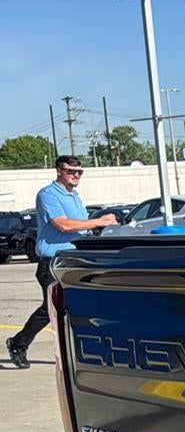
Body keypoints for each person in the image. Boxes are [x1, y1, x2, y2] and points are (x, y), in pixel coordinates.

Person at [5, 157, 116, 370]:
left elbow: (80, 227)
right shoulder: (48, 195)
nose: (76, 175)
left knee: (81, 307)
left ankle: (82, 352)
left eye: (79, 172)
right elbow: (63, 225)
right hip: (53, 262)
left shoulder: (75, 197)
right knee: (52, 309)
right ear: (59, 171)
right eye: (71, 171)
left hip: (75, 260)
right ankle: (19, 343)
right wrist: (98, 221)